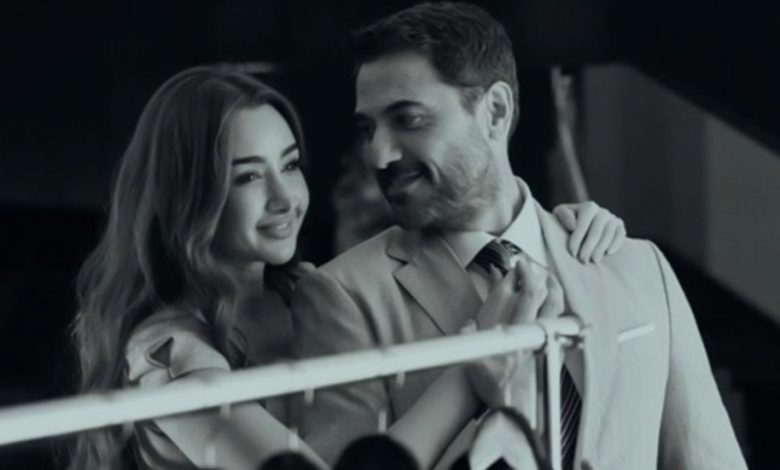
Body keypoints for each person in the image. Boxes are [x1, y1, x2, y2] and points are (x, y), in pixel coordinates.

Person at [69, 65, 624, 470]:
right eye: (249, 176)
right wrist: (473, 368)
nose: (285, 198)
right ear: (188, 197)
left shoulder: (315, 292)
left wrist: (555, 228)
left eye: (290, 165)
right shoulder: (168, 353)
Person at [290, 3, 747, 470]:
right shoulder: (344, 296)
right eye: (367, 129)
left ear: (496, 111)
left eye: (407, 119)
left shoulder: (637, 265)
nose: (378, 154)